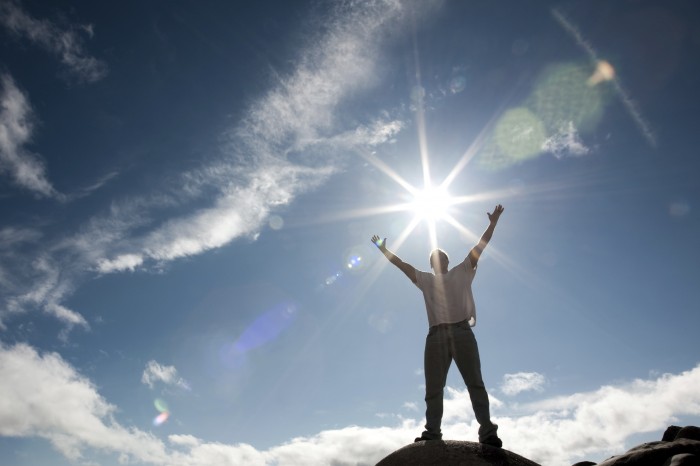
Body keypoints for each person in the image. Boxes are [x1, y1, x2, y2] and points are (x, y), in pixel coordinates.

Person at [370, 204, 504, 448]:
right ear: (431, 265)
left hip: (462, 332)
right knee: (433, 388)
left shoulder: (463, 270)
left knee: (475, 383)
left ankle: (487, 432)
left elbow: (481, 245)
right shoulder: (426, 280)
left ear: (447, 261)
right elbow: (402, 265)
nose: (437, 260)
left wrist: (493, 223)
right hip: (436, 337)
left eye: (440, 257)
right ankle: (432, 432)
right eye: (433, 259)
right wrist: (384, 250)